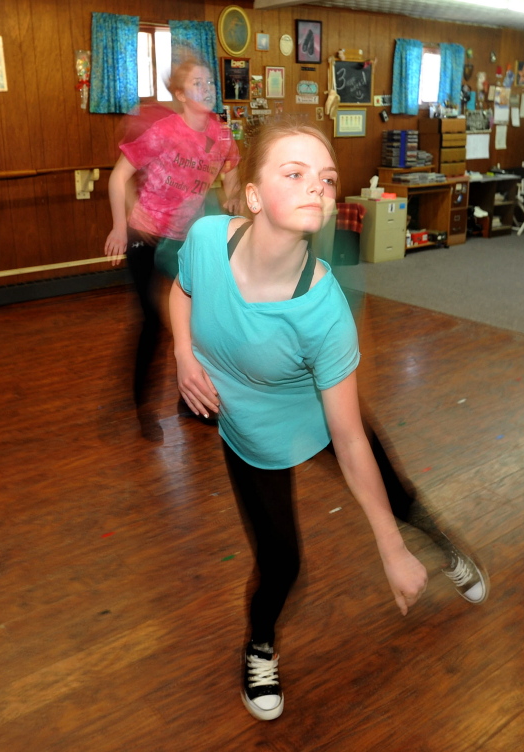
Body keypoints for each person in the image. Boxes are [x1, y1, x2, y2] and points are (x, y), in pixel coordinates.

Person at [169, 120, 487, 721]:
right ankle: (260, 646)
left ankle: (445, 548)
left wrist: (391, 550)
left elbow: (346, 436)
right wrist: (184, 352)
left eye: (327, 178)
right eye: (294, 174)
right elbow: (183, 291)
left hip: (315, 420)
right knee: (282, 563)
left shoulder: (324, 311)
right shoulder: (209, 239)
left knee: (398, 501)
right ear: (256, 194)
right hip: (251, 434)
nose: (316, 187)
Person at [104, 58, 241, 441]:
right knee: (152, 321)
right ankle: (142, 408)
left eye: (210, 81)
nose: (208, 87)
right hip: (144, 236)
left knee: (197, 322)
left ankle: (192, 399)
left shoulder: (222, 135)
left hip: (185, 239)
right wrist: (119, 225)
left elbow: (232, 175)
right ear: (180, 95)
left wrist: (232, 198)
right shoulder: (165, 131)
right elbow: (118, 177)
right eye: (197, 83)